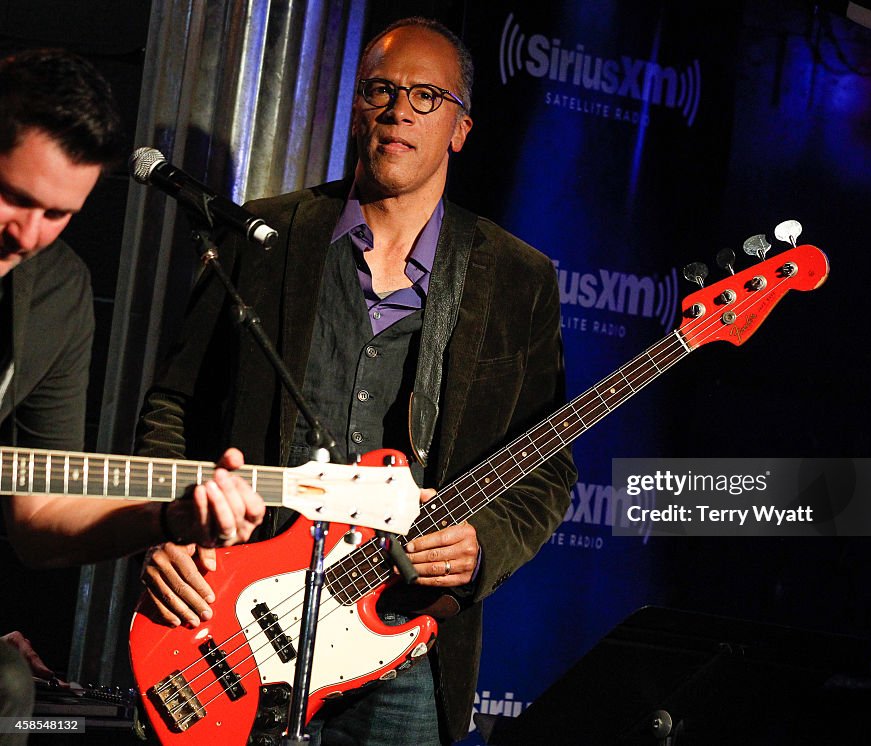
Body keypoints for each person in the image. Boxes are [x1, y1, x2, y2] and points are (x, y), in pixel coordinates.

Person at [135, 16, 576, 745]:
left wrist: (483, 544)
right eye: (382, 89)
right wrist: (165, 529)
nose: (400, 108)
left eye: (427, 96)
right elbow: (173, 405)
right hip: (232, 620)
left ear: (461, 128)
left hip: (405, 639)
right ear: (357, 109)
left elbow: (547, 469)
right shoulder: (263, 237)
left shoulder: (518, 279)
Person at [0, 49, 265, 743]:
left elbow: (38, 518)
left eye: (57, 214)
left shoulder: (55, 293)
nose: (26, 235)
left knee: (13, 693)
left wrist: (168, 519)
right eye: (14, 197)